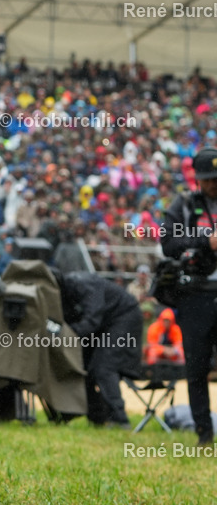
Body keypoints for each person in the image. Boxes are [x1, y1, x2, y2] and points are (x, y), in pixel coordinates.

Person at [159, 146, 217, 446]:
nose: (213, 184)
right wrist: (207, 241)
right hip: (195, 294)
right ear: (197, 178)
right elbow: (168, 243)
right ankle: (204, 435)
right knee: (197, 367)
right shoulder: (184, 204)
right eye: (208, 179)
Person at [51, 268, 142, 429]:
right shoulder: (61, 292)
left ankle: (119, 419)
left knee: (104, 368)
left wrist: (65, 334)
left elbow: (92, 321)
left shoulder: (85, 284)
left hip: (123, 316)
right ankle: (97, 417)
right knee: (83, 367)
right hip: (102, 323)